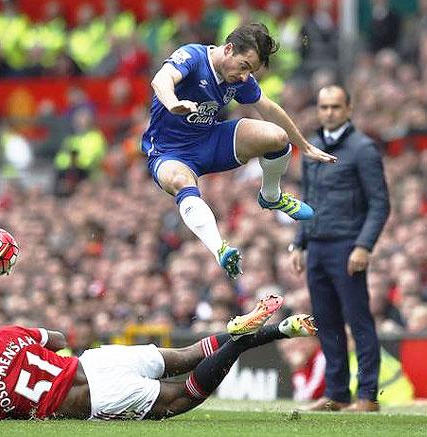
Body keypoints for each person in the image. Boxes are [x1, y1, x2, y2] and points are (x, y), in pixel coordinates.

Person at [142, 23, 336, 279]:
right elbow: (161, 79)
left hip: (209, 139)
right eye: (244, 66)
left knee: (278, 138)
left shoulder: (240, 78)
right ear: (229, 49)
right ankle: (220, 249)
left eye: (251, 71)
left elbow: (269, 108)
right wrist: (173, 103)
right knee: (181, 182)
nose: (245, 76)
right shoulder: (193, 56)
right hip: (169, 152)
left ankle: (271, 195)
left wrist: (305, 145)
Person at [0, 296, 317, 420]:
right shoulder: (3, 336)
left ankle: (250, 339)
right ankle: (268, 329)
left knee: (184, 397)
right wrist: (13, 350)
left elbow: (7, 405)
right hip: (93, 363)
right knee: (186, 355)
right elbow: (60, 339)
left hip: (93, 399)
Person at [288, 85, 390, 412]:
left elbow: (379, 204)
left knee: (358, 321)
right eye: (323, 107)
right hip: (316, 245)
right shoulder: (312, 146)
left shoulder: (364, 149)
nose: (328, 112)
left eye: (335, 106)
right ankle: (336, 394)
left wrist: (364, 246)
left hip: (347, 245)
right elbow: (308, 200)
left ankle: (368, 396)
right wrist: (299, 242)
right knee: (327, 321)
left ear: (349, 109)